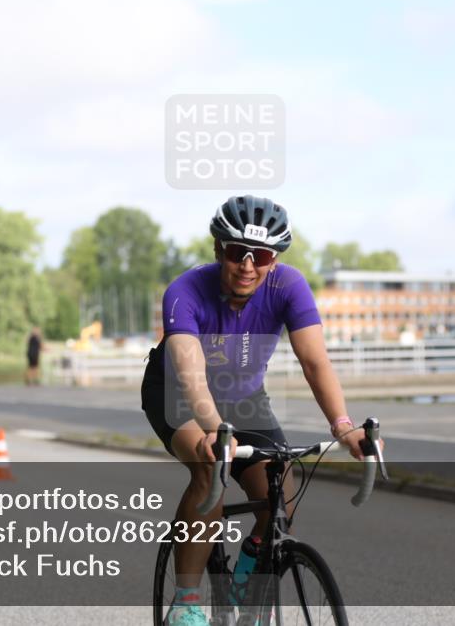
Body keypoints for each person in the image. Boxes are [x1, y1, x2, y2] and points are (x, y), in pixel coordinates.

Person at [142, 196, 377, 625]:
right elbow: (192, 376)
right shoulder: (184, 292)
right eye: (237, 253)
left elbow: (314, 362)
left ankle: (250, 564)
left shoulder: (288, 286)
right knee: (207, 465)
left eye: (262, 256)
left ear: (274, 259)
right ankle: (188, 602)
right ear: (219, 250)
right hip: (178, 390)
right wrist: (215, 431)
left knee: (280, 490)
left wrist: (344, 427)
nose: (248, 266)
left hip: (244, 396)